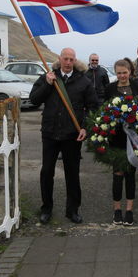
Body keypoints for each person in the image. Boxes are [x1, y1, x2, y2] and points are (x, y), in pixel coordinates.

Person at [29, 48, 98, 225]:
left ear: (75, 61)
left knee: (72, 173)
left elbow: (93, 107)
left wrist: (85, 128)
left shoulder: (83, 81)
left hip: (72, 135)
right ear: (59, 59)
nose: (68, 62)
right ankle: (46, 209)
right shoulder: (49, 77)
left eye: (71, 59)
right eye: (65, 59)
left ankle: (72, 210)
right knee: (46, 172)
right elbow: (34, 99)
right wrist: (47, 84)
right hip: (50, 133)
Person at [104, 59, 138, 226]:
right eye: (119, 72)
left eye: (124, 72)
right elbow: (105, 109)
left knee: (130, 175)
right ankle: (116, 209)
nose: (122, 75)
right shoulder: (109, 89)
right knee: (117, 175)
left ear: (130, 71)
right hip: (117, 137)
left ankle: (129, 209)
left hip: (133, 136)